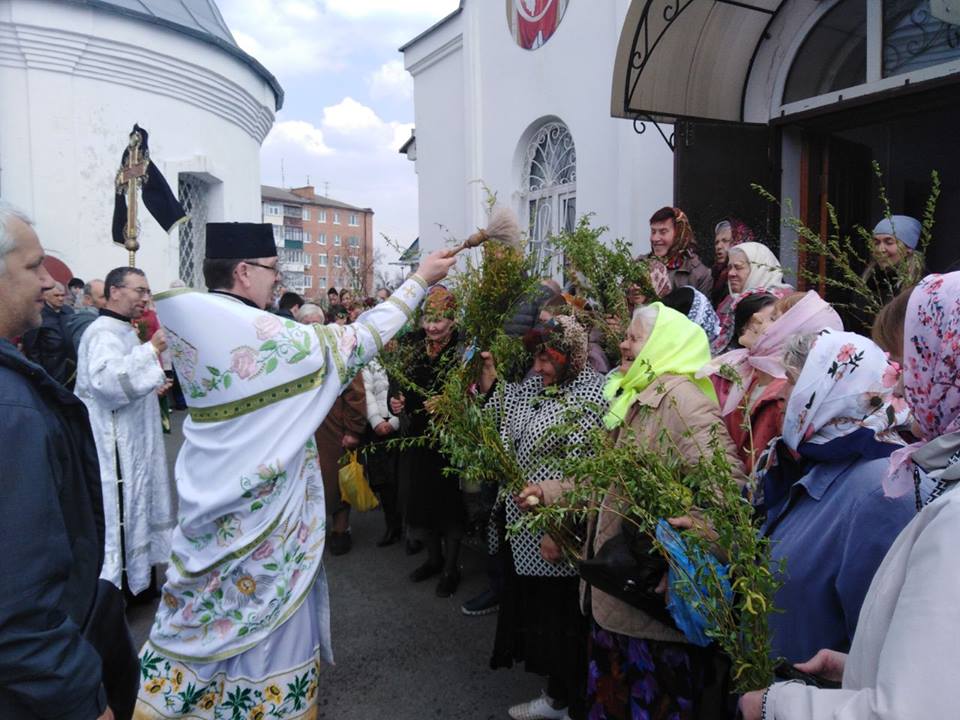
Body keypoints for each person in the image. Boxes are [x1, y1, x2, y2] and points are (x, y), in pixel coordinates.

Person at [133, 222, 455, 718]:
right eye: (271, 270)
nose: (277, 282)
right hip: (266, 532)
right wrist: (420, 279)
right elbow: (358, 339)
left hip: (211, 515)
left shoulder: (196, 325)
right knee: (267, 644)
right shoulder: (258, 335)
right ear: (243, 271)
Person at [739, 272, 960, 719]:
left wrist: (778, 703)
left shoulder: (884, 489)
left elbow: (909, 708)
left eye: (910, 363)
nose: (896, 389)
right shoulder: (811, 468)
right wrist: (858, 669)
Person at [522, 303, 745, 719]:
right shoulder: (634, 394)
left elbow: (727, 494)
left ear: (662, 344)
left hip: (649, 612)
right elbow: (602, 481)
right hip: (617, 598)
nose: (622, 343)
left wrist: (685, 552)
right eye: (625, 336)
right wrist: (549, 492)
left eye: (633, 337)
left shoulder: (681, 403)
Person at [0, 200, 135, 720]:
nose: (48, 283)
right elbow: (18, 598)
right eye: (33, 267)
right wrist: (82, 699)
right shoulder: (11, 410)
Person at [758, 330, 922, 664]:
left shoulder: (882, 490)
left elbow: (875, 649)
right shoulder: (805, 463)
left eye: (791, 381)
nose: (780, 395)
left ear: (829, 390)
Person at [482, 317, 607, 720]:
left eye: (546, 359)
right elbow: (507, 425)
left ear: (570, 357)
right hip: (522, 524)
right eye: (535, 358)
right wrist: (490, 384)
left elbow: (584, 471)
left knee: (562, 622)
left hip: (554, 531)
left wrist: (559, 529)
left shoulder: (589, 394)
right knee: (540, 618)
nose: (537, 367)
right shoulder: (535, 386)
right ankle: (556, 695)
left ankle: (569, 700)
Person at [75, 266, 175, 598]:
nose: (145, 298)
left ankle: (141, 580)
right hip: (115, 445)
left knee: (140, 505)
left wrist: (152, 386)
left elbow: (130, 378)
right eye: (139, 291)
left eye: (147, 291)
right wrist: (151, 350)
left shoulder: (124, 330)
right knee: (124, 510)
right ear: (115, 291)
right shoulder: (103, 333)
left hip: (135, 438)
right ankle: (121, 589)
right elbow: (106, 384)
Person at [702, 291, 842, 474]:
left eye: (774, 318)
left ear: (792, 335)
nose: (756, 317)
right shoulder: (748, 373)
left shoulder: (788, 398)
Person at [390, 286, 466, 598]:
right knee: (421, 500)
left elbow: (473, 388)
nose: (432, 326)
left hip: (449, 437)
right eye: (428, 319)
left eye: (440, 320)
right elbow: (397, 379)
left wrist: (449, 401)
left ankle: (451, 568)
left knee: (448, 505)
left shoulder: (464, 348)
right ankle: (433, 560)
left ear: (452, 319)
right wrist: (395, 401)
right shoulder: (412, 345)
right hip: (418, 434)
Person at [713, 242, 793, 353]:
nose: (731, 273)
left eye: (738, 267)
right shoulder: (729, 301)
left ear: (759, 269)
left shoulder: (775, 305)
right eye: (729, 268)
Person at [361, 353, 402, 547]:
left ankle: (411, 530)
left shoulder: (406, 352)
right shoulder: (369, 356)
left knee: (403, 477)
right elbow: (365, 390)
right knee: (383, 479)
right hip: (377, 424)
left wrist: (395, 423)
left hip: (402, 422)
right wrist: (376, 421)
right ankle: (392, 525)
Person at [20, 278, 77, 387]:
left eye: (62, 295)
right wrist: (39, 372)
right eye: (56, 296)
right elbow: (31, 348)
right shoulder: (37, 314)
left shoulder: (69, 311)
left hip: (69, 367)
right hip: (49, 368)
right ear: (46, 296)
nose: (60, 299)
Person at [647, 206, 712, 296]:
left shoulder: (699, 274)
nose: (655, 238)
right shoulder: (640, 265)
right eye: (653, 232)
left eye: (663, 232)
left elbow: (701, 309)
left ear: (679, 234)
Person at [711, 219, 753, 306]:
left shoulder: (752, 271)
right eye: (716, 242)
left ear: (739, 240)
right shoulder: (716, 273)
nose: (718, 246)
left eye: (725, 241)